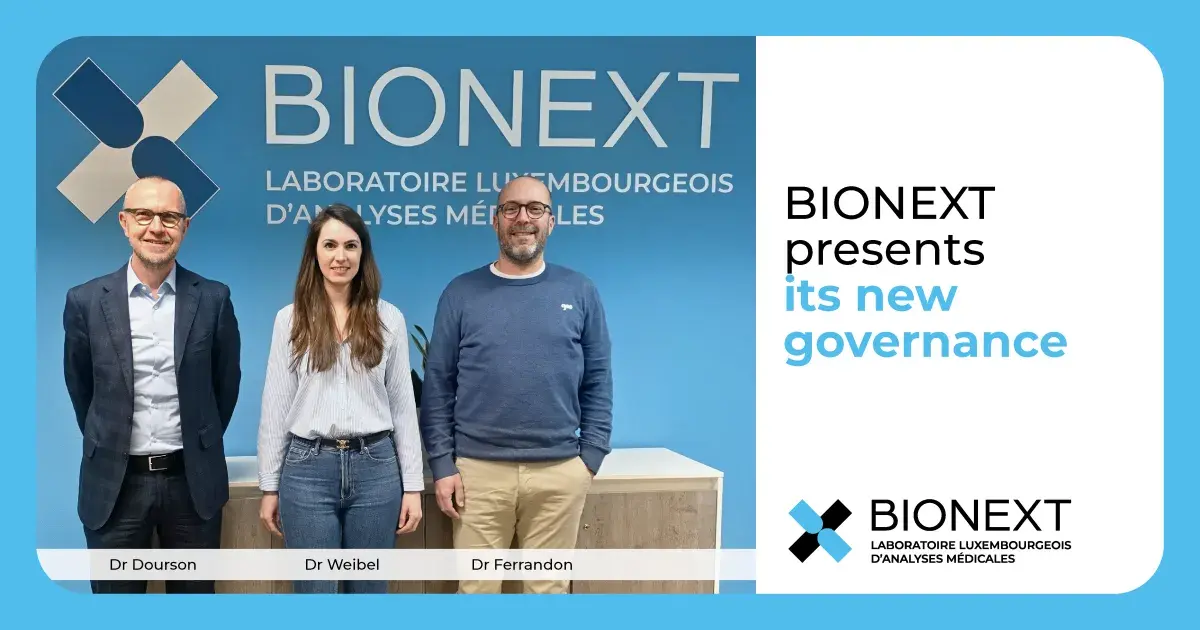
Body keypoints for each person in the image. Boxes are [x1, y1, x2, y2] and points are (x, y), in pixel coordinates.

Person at [419, 176, 614, 594]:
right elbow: (438, 384)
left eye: (535, 209)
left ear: (551, 221)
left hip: (559, 473)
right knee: (477, 594)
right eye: (511, 208)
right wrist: (442, 464)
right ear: (495, 220)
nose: (522, 218)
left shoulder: (579, 291)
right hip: (477, 475)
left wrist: (590, 456)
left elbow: (597, 378)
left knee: (549, 593)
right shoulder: (461, 292)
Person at [62, 175, 242, 594]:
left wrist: (200, 443)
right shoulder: (85, 301)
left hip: (191, 484)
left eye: (170, 217)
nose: (157, 228)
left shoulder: (214, 299)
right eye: (144, 215)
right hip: (115, 486)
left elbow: (224, 386)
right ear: (124, 222)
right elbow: (82, 388)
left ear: (185, 227)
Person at [256, 203, 423, 594]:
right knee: (317, 594)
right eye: (329, 245)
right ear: (314, 252)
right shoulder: (290, 319)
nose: (340, 256)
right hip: (307, 471)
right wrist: (269, 487)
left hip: (376, 470)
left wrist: (412, 486)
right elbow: (276, 406)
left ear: (362, 253)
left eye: (350, 246)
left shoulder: (389, 319)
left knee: (368, 592)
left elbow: (402, 406)